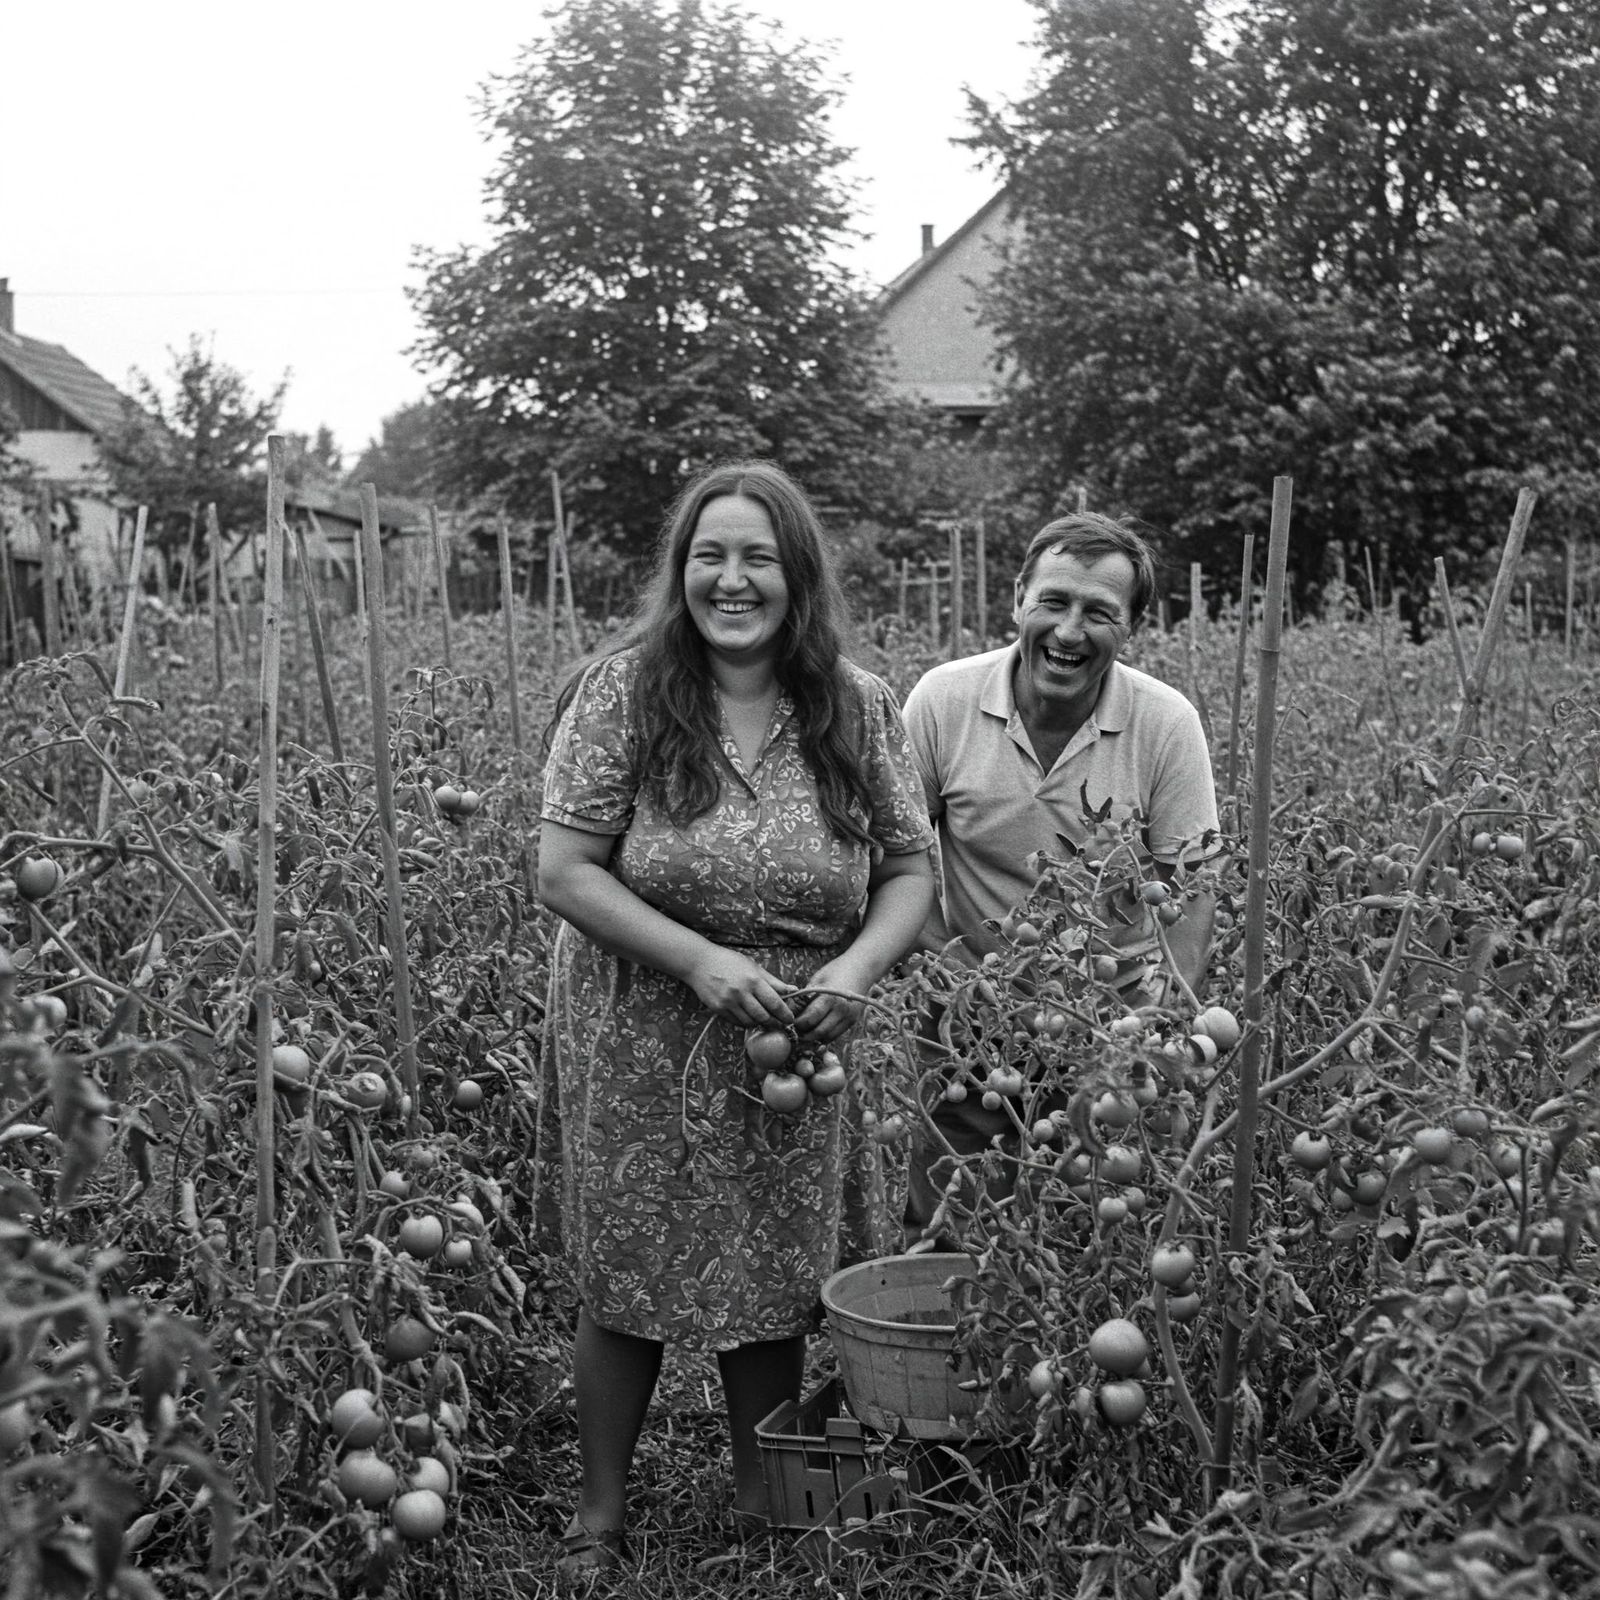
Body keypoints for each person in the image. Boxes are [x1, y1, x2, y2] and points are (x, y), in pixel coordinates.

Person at [537, 460, 936, 1578]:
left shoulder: (857, 704)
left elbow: (910, 868)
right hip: (640, 1025)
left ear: (795, 574)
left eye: (757, 556)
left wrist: (855, 969)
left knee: (772, 1263)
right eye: (709, 554)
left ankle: (764, 1500)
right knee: (627, 1265)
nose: (731, 578)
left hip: (800, 1031)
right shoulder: (625, 691)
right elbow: (565, 872)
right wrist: (703, 961)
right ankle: (600, 1512)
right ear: (680, 571)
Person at [899, 511, 1220, 1239]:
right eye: (1054, 602)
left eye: (1099, 613)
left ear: (1130, 628)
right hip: (966, 1020)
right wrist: (956, 987)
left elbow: (1194, 889)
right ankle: (947, 1341)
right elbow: (901, 863)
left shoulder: (1165, 723)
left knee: (1099, 1223)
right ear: (1018, 599)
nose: (1070, 631)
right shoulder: (943, 701)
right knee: (955, 1216)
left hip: (1109, 1025)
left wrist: (1156, 1030)